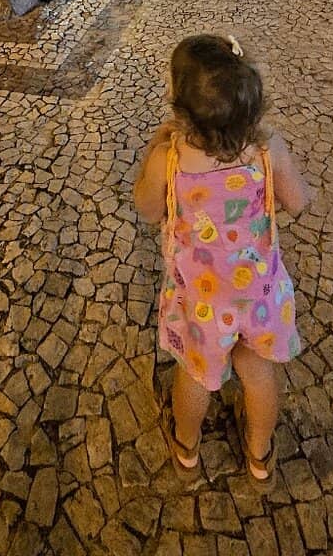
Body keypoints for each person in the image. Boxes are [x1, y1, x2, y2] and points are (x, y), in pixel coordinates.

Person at [133, 34, 313, 487]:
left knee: (196, 374)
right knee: (257, 372)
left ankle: (187, 451)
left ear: (180, 110)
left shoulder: (170, 160)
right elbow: (299, 201)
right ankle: (259, 456)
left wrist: (152, 153)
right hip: (259, 291)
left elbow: (148, 209)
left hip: (200, 300)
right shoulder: (268, 150)